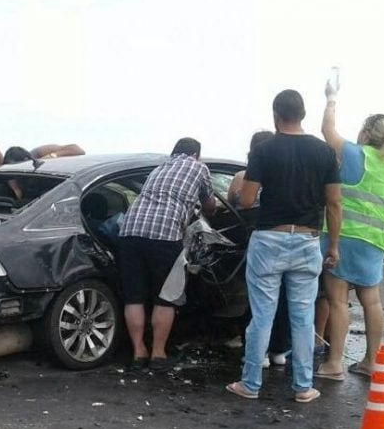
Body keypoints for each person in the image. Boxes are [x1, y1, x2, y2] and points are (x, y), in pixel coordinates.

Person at [226, 89, 342, 403]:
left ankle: (250, 384)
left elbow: (247, 199)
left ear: (276, 114)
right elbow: (333, 203)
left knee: (262, 315)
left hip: (269, 239)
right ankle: (303, 387)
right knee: (303, 318)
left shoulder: (264, 150)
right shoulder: (324, 152)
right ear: (303, 114)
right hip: (307, 240)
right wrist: (332, 246)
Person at [314, 78, 384, 380]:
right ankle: (371, 362)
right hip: (375, 242)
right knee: (372, 301)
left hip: (345, 238)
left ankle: (334, 363)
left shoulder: (355, 154)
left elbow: (327, 131)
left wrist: (332, 97)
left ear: (365, 133)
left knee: (337, 301)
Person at [118, 138, 215, 371]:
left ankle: (138, 352)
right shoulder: (199, 167)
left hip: (130, 232)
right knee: (166, 297)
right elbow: (209, 204)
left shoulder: (159, 167)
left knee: (134, 296)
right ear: (195, 154)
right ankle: (158, 355)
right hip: (164, 234)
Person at [226, 130, 290, 368]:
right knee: (283, 297)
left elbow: (230, 208)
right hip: (284, 241)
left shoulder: (242, 176)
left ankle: (255, 352)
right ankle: (279, 349)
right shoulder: (282, 177)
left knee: (257, 301)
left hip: (248, 246)